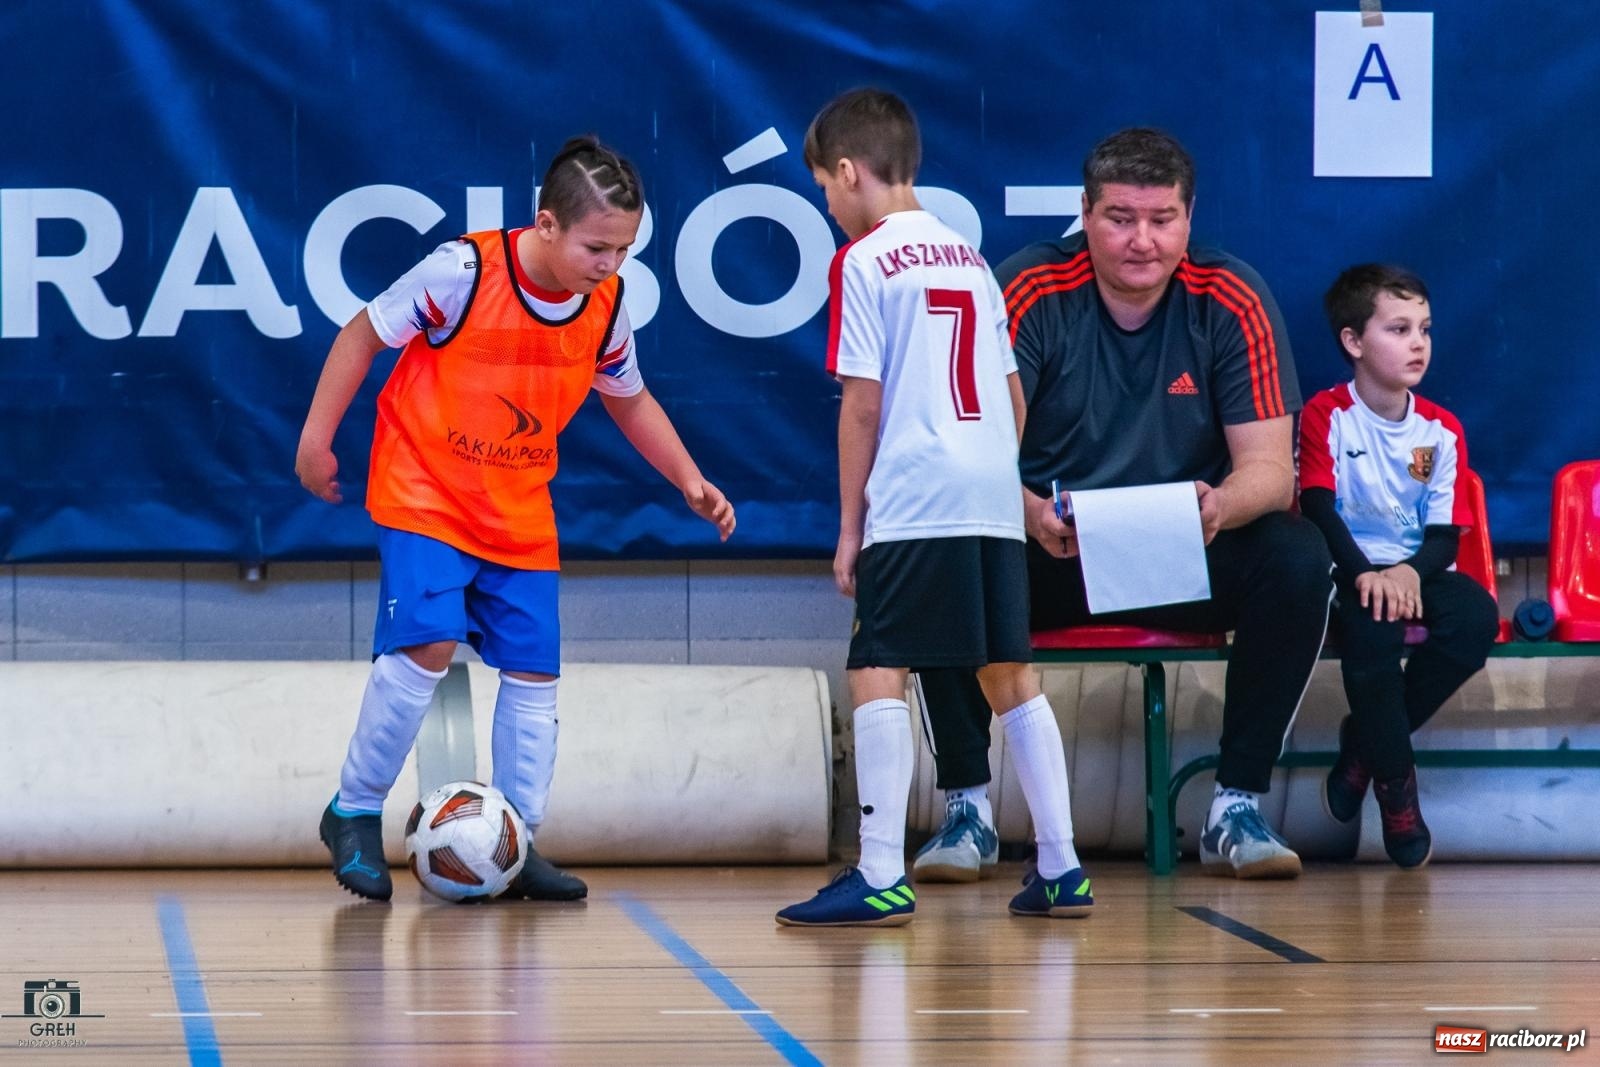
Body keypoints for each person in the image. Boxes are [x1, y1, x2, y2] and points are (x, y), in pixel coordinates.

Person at [296, 135, 736, 902]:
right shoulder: (460, 272)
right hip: (425, 487)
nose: (611, 263)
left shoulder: (607, 306)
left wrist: (688, 477)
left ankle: (516, 837)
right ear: (545, 224)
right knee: (427, 646)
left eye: (626, 248)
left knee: (534, 671)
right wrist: (315, 438)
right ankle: (355, 810)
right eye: (597, 246)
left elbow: (628, 397)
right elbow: (361, 334)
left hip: (518, 505)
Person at [915, 128, 1333, 881]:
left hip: (1184, 550)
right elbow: (961, 453)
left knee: (1298, 556)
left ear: (1189, 216)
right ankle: (966, 809)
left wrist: (1220, 507)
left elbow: (1271, 472)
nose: (1142, 240)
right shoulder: (1028, 289)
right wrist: (1026, 512)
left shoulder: (1231, 296)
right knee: (945, 543)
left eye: (1161, 218)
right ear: (1085, 212)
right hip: (1050, 552)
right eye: (1119, 217)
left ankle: (1234, 807)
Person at [775, 89, 1093, 926]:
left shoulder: (867, 261)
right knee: (1008, 672)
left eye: (825, 190)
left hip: (916, 496)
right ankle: (1061, 866)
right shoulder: (968, 258)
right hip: (988, 494)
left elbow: (862, 406)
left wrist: (851, 528)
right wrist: (991, 471)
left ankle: (879, 868)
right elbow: (1013, 396)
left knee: (876, 661)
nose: (830, 207)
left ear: (849, 172)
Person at [1300, 264, 1499, 868]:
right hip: (1350, 570)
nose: (1418, 343)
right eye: (1399, 328)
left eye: (1425, 329)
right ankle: (1398, 795)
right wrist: (1364, 574)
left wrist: (1410, 573)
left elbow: (1445, 533)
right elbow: (1317, 506)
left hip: (1415, 569)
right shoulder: (1325, 415)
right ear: (1354, 342)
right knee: (1371, 631)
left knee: (1474, 620)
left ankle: (1362, 746)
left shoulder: (1441, 429)